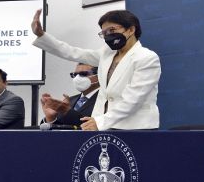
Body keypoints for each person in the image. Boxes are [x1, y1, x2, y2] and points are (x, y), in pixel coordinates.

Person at [31, 9, 160, 130]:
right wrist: (42, 35)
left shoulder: (147, 58)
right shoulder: (107, 53)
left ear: (131, 29)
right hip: (103, 126)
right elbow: (73, 52)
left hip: (135, 128)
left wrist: (100, 122)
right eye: (104, 33)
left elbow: (133, 100)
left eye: (112, 30)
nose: (108, 36)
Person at [40, 62, 99, 127]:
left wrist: (67, 111)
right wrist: (51, 118)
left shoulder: (106, 101)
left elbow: (94, 126)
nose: (77, 78)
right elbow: (62, 129)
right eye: (75, 74)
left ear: (99, 75)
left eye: (83, 74)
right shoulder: (70, 100)